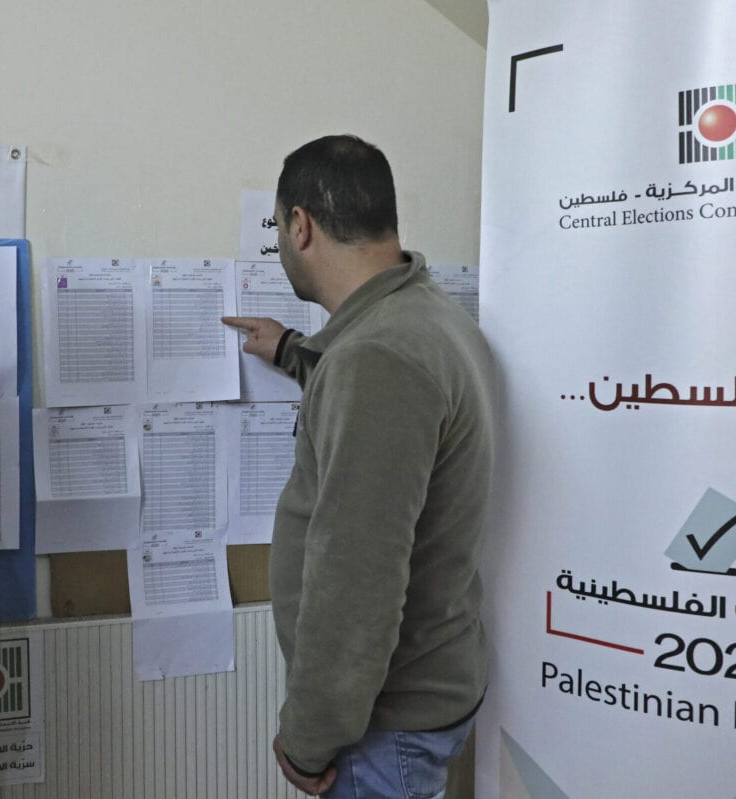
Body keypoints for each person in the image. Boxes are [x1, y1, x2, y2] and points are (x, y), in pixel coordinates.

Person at [223, 135, 494, 798]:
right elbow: (388, 407)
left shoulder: (379, 360)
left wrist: (310, 738)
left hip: (380, 727)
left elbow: (358, 582)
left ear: (300, 224)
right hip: (422, 696)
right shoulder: (426, 314)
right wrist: (291, 349)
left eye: (281, 228)